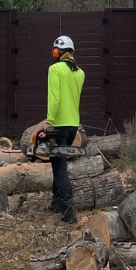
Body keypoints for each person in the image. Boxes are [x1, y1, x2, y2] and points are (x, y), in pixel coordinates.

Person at [47, 35, 85, 224]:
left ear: (58, 51)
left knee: (60, 167)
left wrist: (49, 121)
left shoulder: (54, 69)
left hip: (58, 125)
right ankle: (56, 202)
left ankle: (69, 211)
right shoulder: (80, 72)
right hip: (73, 126)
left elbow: (54, 98)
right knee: (57, 163)